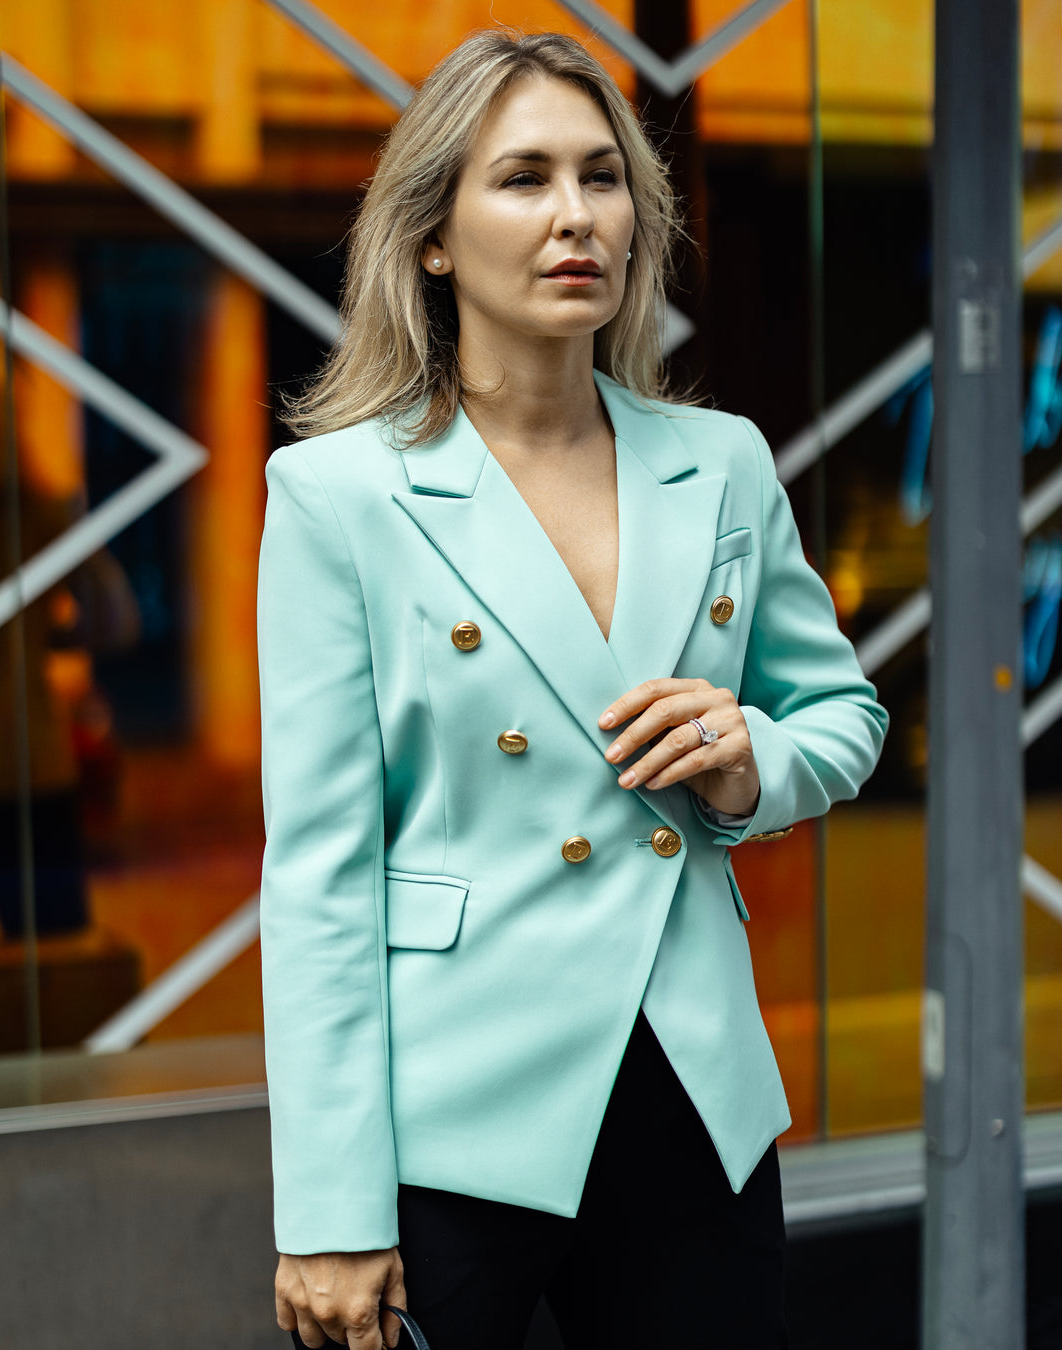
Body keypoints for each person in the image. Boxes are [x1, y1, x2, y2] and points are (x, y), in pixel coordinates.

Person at [257, 30, 887, 1350]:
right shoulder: (340, 495)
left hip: (693, 1102)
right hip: (451, 1119)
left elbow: (845, 718)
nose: (574, 217)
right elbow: (321, 866)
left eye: (602, 178)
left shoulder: (718, 461)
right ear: (432, 235)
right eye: (523, 178)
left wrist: (748, 755)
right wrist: (326, 1207)